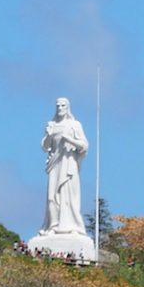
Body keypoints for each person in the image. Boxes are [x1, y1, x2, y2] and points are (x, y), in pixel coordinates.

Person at [40, 97, 88, 236]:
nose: (60, 108)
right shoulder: (51, 125)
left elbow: (84, 145)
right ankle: (53, 225)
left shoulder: (75, 125)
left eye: (63, 105)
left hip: (69, 163)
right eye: (58, 106)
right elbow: (45, 146)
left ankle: (72, 226)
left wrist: (69, 139)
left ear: (67, 107)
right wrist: (49, 135)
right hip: (54, 164)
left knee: (69, 196)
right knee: (52, 196)